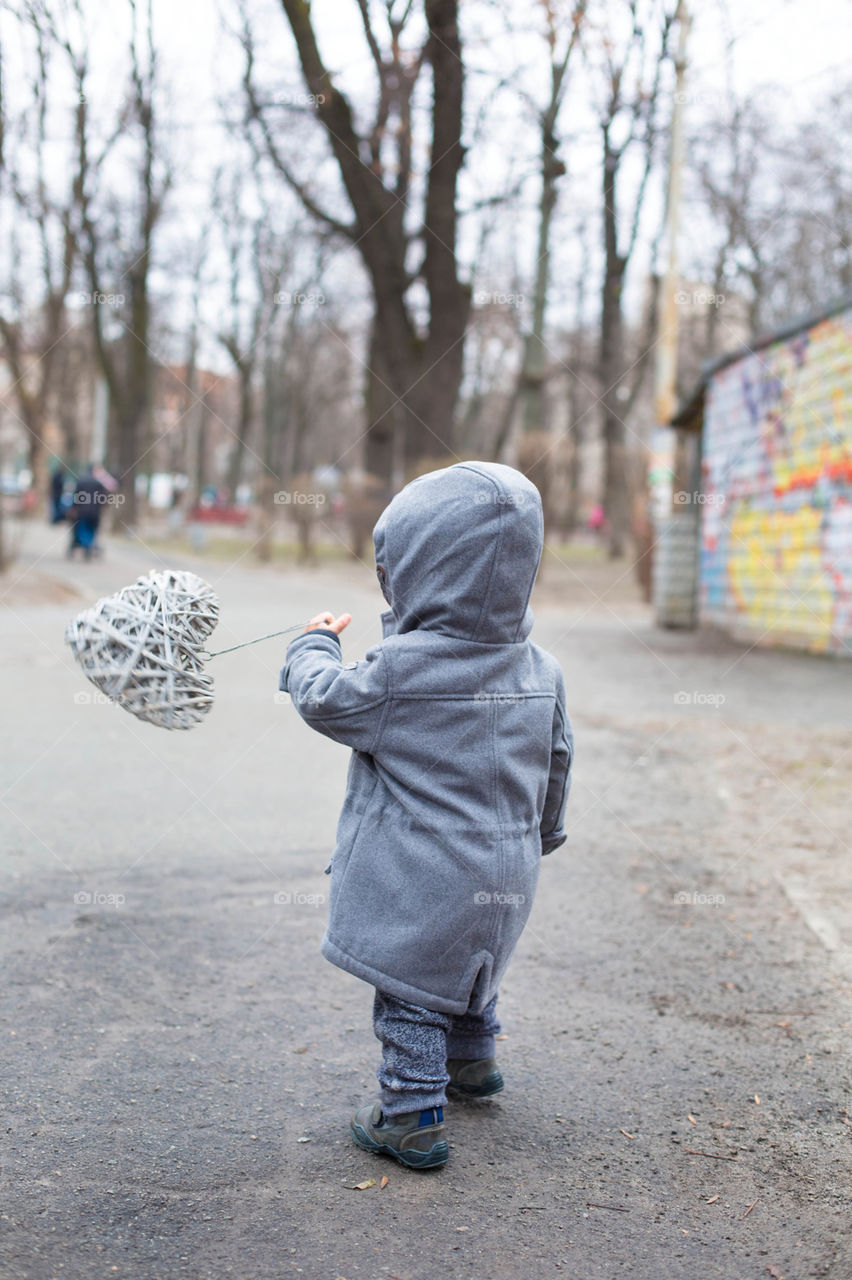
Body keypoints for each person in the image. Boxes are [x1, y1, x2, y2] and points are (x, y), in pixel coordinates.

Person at [279, 461, 573, 1171]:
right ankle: (473, 1063)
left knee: (410, 989)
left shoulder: (403, 668)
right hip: (509, 870)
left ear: (418, 574)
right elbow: (557, 758)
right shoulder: (540, 670)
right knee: (473, 968)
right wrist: (545, 832)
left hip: (425, 876)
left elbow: (326, 699)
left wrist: (311, 643)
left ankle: (410, 1114)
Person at [68, 465, 109, 560]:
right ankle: (88, 546)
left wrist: (74, 507)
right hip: (95, 511)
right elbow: (103, 498)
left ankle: (85, 546)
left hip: (82, 510)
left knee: (82, 529)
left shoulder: (81, 481)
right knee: (91, 530)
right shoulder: (98, 483)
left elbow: (76, 496)